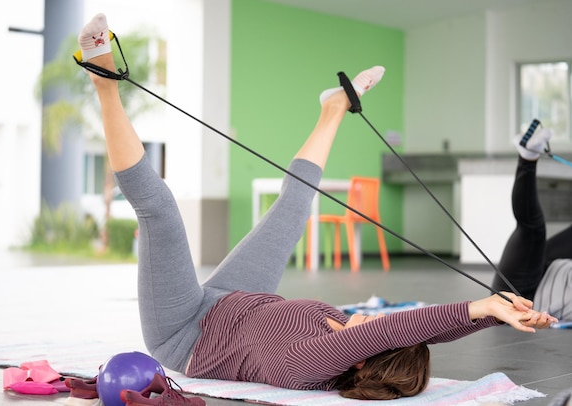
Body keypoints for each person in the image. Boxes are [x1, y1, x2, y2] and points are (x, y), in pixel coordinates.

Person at [77, 13, 557, 401]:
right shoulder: (348, 335)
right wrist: (499, 312)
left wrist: (478, 306)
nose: (386, 325)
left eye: (384, 336)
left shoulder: (313, 366)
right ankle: (332, 110)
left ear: (364, 357)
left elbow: (409, 326)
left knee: (161, 210)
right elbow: (414, 330)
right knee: (294, 210)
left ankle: (104, 82)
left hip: (184, 331)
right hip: (236, 298)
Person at [493, 125, 572, 322]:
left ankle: (527, 157)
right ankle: (528, 153)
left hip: (521, 298)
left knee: (532, 229)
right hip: (552, 266)